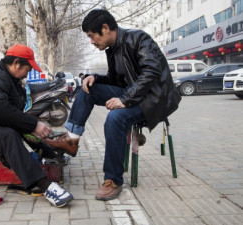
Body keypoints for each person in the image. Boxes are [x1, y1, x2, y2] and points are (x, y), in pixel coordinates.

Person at [44, 9, 181, 201]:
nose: (92, 42)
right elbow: (115, 81)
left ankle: (113, 180)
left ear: (105, 28)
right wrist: (95, 78)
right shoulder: (113, 50)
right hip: (133, 95)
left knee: (115, 118)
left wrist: (125, 100)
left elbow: (151, 71)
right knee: (88, 88)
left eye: (92, 36)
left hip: (153, 99)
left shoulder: (139, 38)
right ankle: (71, 139)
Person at [0, 44, 73, 208]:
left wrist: (34, 127)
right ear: (16, 63)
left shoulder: (9, 77)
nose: (28, 73)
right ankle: (46, 187)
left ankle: (50, 154)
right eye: (28, 69)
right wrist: (33, 125)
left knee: (20, 124)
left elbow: (13, 115)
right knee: (8, 135)